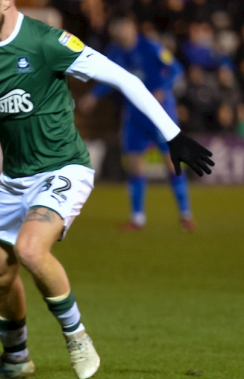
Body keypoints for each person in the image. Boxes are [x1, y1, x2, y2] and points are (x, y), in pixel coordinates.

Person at [0, 0, 213, 379]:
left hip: (63, 166)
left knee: (32, 250)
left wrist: (172, 135)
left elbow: (123, 78)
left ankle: (77, 336)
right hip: (15, 179)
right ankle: (15, 359)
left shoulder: (46, 42)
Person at [80, 15, 193, 231]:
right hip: (134, 116)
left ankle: (185, 214)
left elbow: (176, 69)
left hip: (160, 113)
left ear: (132, 28)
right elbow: (108, 78)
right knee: (133, 164)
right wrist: (93, 96)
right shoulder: (115, 51)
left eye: (124, 27)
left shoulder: (151, 46)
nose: (121, 32)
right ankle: (137, 218)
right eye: (117, 28)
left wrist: (164, 87)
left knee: (172, 163)